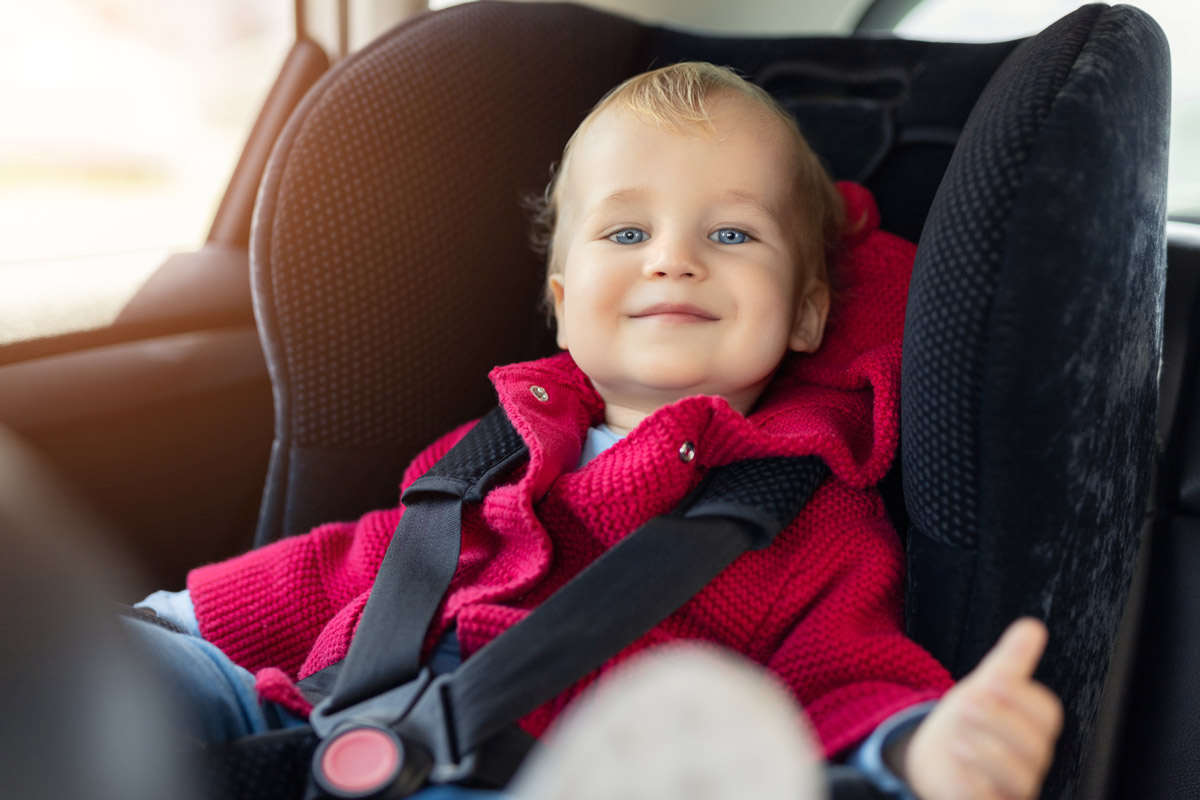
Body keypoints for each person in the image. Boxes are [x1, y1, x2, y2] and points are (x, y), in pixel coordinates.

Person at [131, 62, 1062, 800]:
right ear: (565, 306)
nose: (673, 261)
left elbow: (847, 680)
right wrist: (171, 622)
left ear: (807, 315)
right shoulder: (485, 457)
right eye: (626, 234)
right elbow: (356, 568)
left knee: (701, 727)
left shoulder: (805, 520)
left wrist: (917, 749)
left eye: (732, 236)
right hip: (314, 736)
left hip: (549, 770)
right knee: (104, 672)